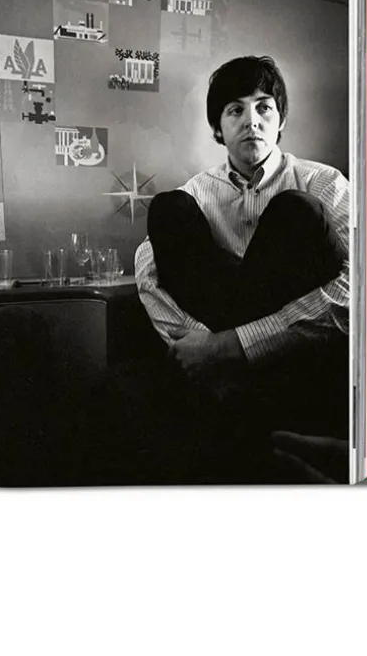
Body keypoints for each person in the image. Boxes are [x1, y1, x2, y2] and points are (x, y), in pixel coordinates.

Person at [134, 56, 350, 475]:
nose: (252, 121)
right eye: (236, 110)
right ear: (218, 128)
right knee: (168, 208)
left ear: (281, 119)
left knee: (298, 210)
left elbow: (366, 283)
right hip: (217, 368)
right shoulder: (197, 193)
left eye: (264, 107)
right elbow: (148, 271)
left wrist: (236, 346)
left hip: (300, 357)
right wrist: (204, 347)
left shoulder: (326, 182)